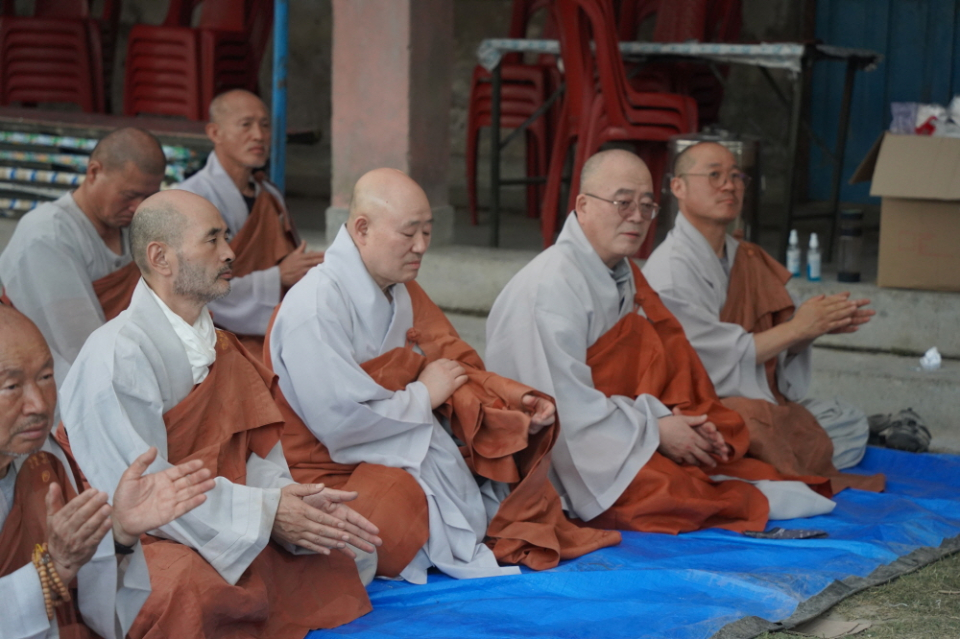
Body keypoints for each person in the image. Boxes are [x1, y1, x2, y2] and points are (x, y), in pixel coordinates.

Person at [268, 168, 620, 584]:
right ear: (362, 229)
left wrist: (512, 403)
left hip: (398, 443)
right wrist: (422, 397)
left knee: (497, 460)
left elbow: (454, 362)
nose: (421, 247)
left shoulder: (398, 289)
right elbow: (339, 423)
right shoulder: (315, 306)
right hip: (326, 467)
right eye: (409, 233)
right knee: (390, 511)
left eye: (428, 232)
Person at [57, 190, 381, 638]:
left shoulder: (221, 346)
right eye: (212, 240)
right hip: (136, 541)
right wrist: (266, 514)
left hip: (221, 518)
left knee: (343, 551)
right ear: (161, 257)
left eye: (226, 237)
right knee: (194, 592)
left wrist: (291, 505)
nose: (230, 253)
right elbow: (143, 496)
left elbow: (254, 459)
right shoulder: (117, 356)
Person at [486, 149, 837, 535]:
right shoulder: (551, 287)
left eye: (646, 205)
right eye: (623, 203)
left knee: (729, 449)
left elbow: (670, 363)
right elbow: (559, 411)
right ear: (583, 205)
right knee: (672, 492)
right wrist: (655, 429)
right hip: (557, 455)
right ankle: (738, 497)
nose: (636, 216)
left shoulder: (625, 275)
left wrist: (673, 418)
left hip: (618, 428)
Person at [643, 142, 885, 491]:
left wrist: (808, 332)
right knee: (750, 425)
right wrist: (798, 327)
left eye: (736, 176)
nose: (729, 185)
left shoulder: (743, 255)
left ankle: (763, 460)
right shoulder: (670, 270)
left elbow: (770, 351)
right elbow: (705, 365)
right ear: (677, 187)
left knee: (848, 421)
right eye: (714, 175)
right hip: (698, 408)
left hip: (751, 403)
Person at [0, 304, 215, 639]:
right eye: (11, 387)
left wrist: (119, 531)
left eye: (45, 378)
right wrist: (53, 569)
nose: (40, 405)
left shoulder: (42, 459)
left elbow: (91, 601)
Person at [0, 128, 165, 385]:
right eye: (129, 195)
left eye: (148, 196)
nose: (138, 207)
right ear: (94, 172)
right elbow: (81, 346)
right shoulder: (47, 235)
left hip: (129, 362)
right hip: (64, 383)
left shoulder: (134, 227)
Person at [177, 89, 324, 341]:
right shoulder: (191, 198)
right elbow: (195, 288)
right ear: (215, 133)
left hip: (268, 329)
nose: (259, 135)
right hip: (209, 337)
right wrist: (276, 277)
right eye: (245, 125)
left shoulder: (269, 194)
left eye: (264, 125)